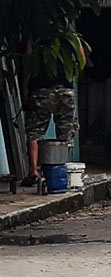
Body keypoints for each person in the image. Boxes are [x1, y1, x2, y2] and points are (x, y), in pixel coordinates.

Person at [21, 59, 78, 187]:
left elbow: (29, 65)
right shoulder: (71, 38)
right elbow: (81, 60)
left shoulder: (36, 39)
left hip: (41, 90)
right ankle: (62, 172)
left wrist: (25, 89)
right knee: (65, 133)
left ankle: (33, 170)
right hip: (65, 91)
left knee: (34, 133)